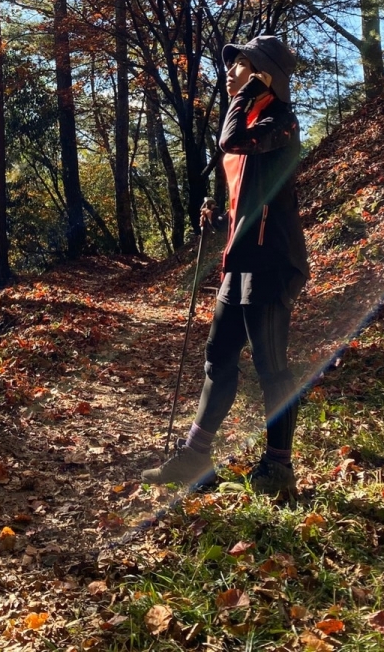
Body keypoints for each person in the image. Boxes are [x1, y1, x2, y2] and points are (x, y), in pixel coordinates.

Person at [143, 34, 309, 497]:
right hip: (241, 262)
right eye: (233, 64)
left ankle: (278, 468)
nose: (231, 70)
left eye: (242, 64)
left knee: (271, 366)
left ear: (265, 74)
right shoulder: (256, 118)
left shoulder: (281, 120)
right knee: (218, 359)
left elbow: (230, 140)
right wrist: (219, 220)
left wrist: (246, 96)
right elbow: (253, 203)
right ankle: (196, 459)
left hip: (272, 263)